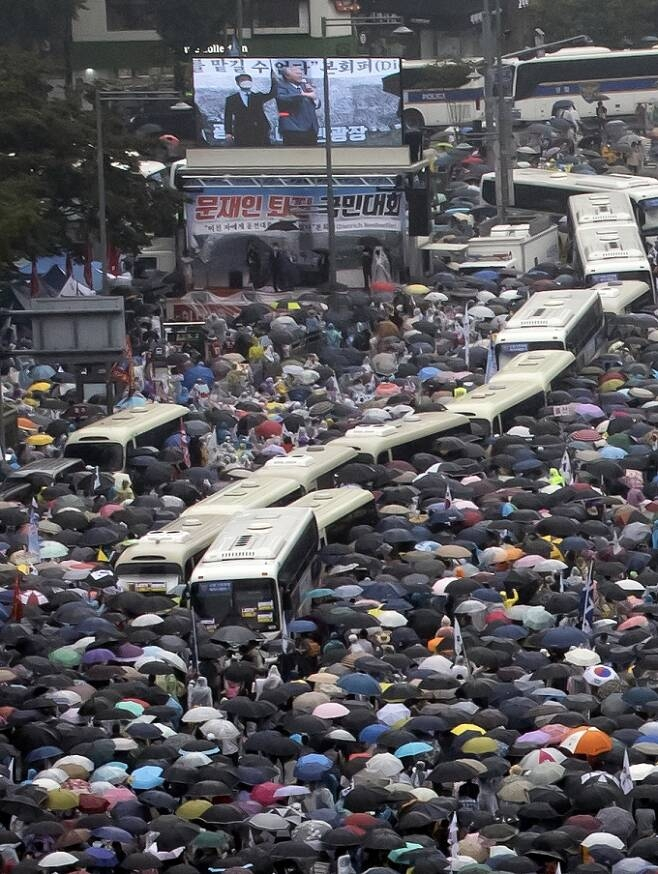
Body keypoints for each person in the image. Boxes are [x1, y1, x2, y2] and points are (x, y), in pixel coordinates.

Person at [224, 73, 275, 147]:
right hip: (241, 131)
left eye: (248, 80)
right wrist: (228, 133)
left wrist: (274, 80)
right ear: (238, 83)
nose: (246, 82)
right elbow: (228, 116)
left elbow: (272, 94)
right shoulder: (231, 99)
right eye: (242, 80)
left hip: (260, 130)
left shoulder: (258, 96)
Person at [275, 66, 319, 146]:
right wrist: (303, 94)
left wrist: (314, 98)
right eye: (297, 73)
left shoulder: (305, 87)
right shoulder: (281, 86)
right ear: (287, 76)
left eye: (301, 73)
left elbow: (316, 104)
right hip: (293, 128)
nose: (300, 75)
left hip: (311, 128)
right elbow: (282, 98)